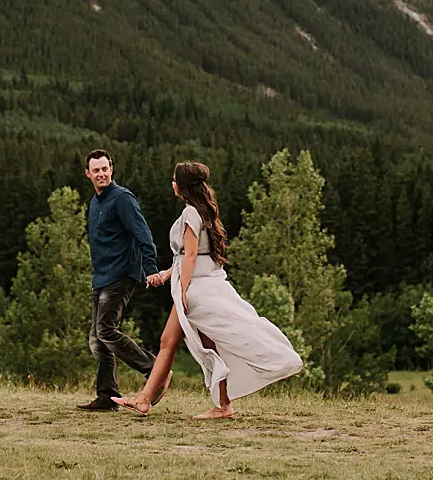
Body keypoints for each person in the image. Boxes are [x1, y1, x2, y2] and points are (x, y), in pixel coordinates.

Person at [114, 161, 303, 419]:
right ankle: (217, 405)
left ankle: (148, 399)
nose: (171, 184)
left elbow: (191, 255)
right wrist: (165, 275)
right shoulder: (203, 212)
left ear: (182, 186)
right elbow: (190, 258)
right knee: (188, 342)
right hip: (202, 286)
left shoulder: (191, 213)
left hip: (195, 291)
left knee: (172, 342)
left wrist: (181, 290)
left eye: (174, 180)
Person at [76, 149, 171, 411]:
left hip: (122, 274)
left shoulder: (122, 199)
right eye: (96, 170)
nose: (101, 173)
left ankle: (155, 371)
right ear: (88, 174)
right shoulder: (95, 203)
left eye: (105, 168)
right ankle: (107, 396)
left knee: (106, 329)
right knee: (97, 338)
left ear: (112, 169)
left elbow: (143, 234)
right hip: (102, 277)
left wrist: (151, 268)